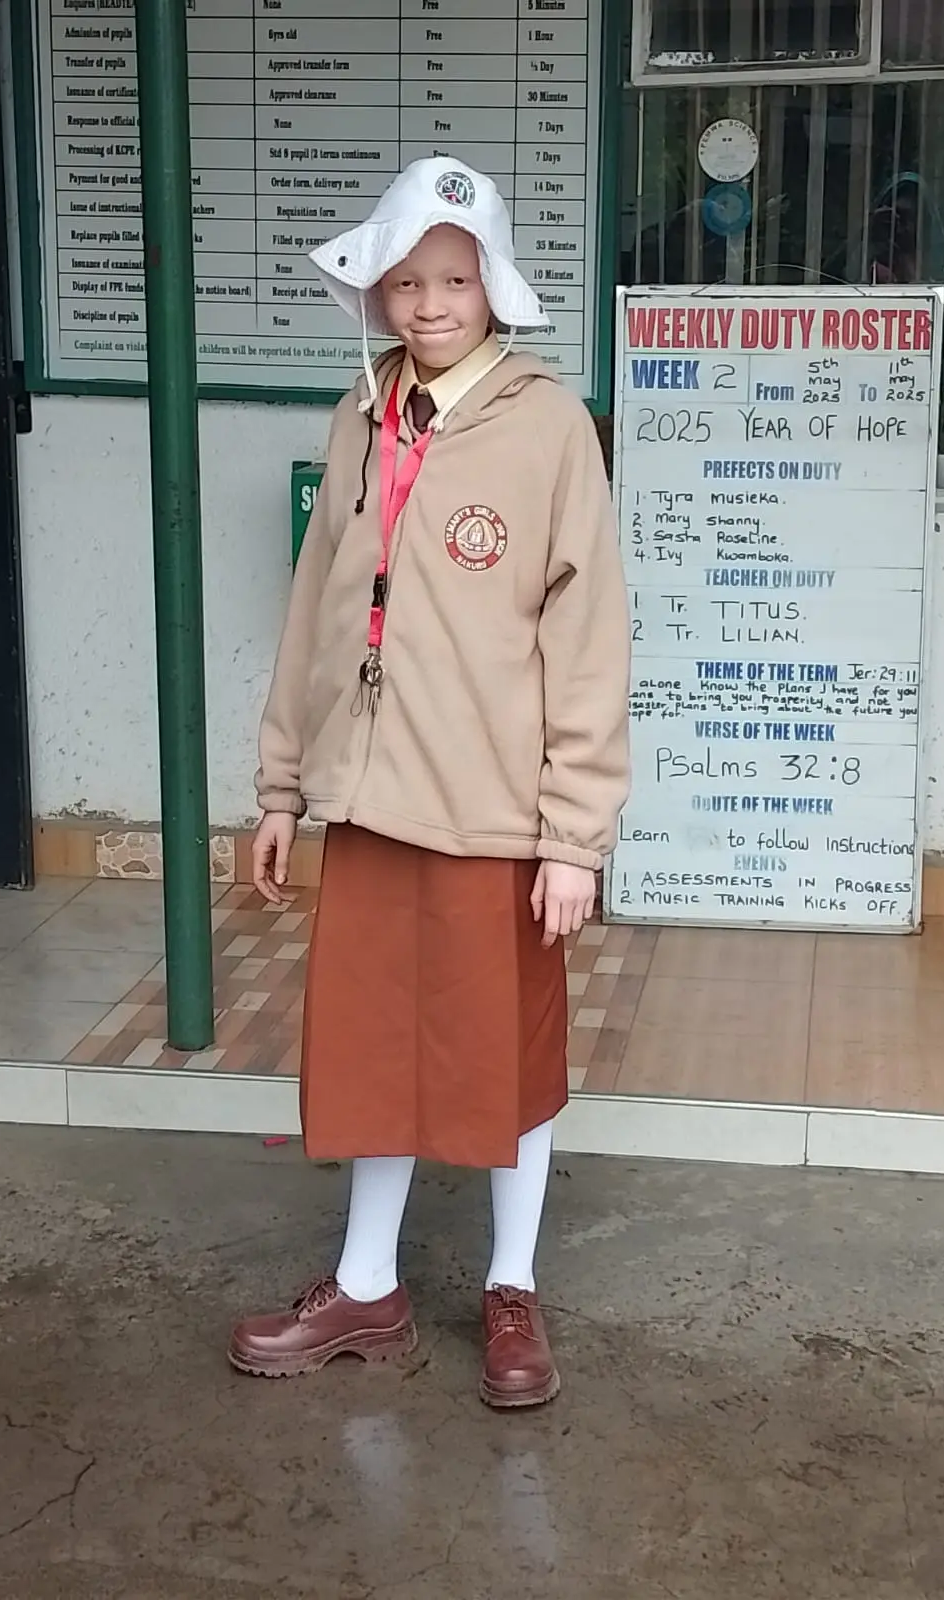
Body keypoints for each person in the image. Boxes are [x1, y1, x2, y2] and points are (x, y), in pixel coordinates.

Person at [227, 157, 630, 1409]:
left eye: (453, 277)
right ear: (382, 294)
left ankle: (510, 1286)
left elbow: (589, 635)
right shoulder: (361, 416)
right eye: (407, 280)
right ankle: (367, 1284)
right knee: (373, 1048)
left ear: (493, 287)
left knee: (504, 1055)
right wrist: (282, 786)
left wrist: (575, 837)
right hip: (370, 793)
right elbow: (314, 612)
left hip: (497, 809)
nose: (429, 302)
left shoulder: (551, 426)